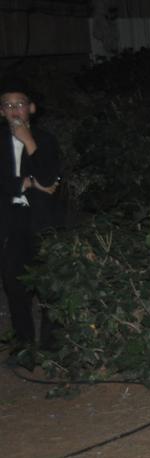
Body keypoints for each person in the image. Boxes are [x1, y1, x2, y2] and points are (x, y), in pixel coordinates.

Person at [0, 75, 61, 362]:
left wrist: (28, 141)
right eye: (8, 105)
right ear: (1, 111)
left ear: (32, 108)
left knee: (49, 283)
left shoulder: (45, 140)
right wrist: (23, 183)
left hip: (42, 220)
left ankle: (52, 347)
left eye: (20, 104)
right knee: (15, 285)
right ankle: (24, 346)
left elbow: (49, 179)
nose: (15, 110)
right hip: (10, 221)